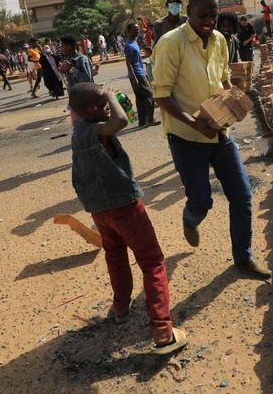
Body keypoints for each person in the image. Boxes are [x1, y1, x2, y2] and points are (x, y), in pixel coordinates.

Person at [152, 0, 271, 278]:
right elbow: (162, 96)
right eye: (202, 15)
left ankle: (243, 259)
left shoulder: (219, 40)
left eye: (213, 16)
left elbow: (225, 80)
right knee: (202, 201)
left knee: (242, 195)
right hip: (185, 136)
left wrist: (236, 102)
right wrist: (196, 124)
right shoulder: (171, 43)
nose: (208, 21)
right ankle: (190, 217)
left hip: (220, 133)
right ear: (189, 12)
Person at [68, 82, 188, 355]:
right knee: (153, 261)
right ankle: (163, 332)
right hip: (125, 207)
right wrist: (109, 94)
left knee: (115, 255)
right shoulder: (97, 130)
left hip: (100, 211)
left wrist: (98, 103)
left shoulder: (78, 131)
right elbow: (121, 120)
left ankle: (121, 308)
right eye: (100, 106)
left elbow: (81, 109)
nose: (106, 107)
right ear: (86, 111)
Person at [124, 23, 159, 128]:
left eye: (138, 29)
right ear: (129, 31)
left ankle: (142, 121)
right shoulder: (128, 46)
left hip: (140, 73)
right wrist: (134, 77)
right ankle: (150, 119)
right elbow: (128, 63)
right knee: (149, 95)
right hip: (137, 75)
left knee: (140, 98)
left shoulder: (134, 43)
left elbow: (136, 60)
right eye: (135, 30)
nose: (137, 31)